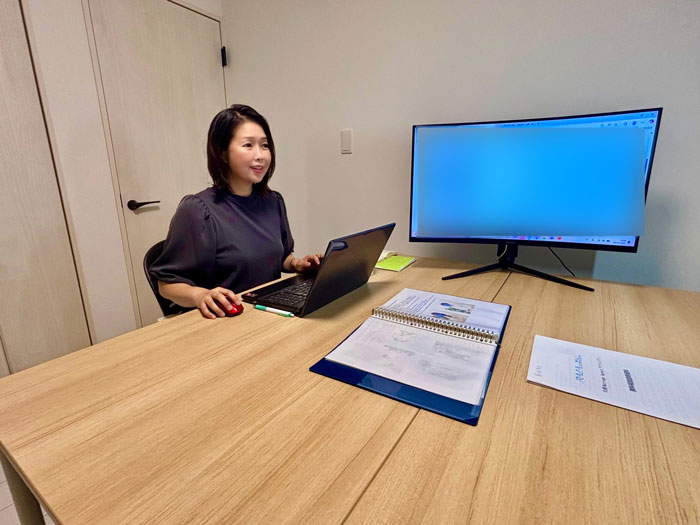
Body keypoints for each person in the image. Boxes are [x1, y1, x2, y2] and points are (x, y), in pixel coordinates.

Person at [150, 104, 322, 319]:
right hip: (224, 321)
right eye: (248, 145)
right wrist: (200, 295)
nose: (260, 155)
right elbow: (166, 284)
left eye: (265, 145)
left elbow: (281, 258)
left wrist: (297, 264)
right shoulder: (198, 210)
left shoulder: (273, 201)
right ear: (222, 153)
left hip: (268, 313)